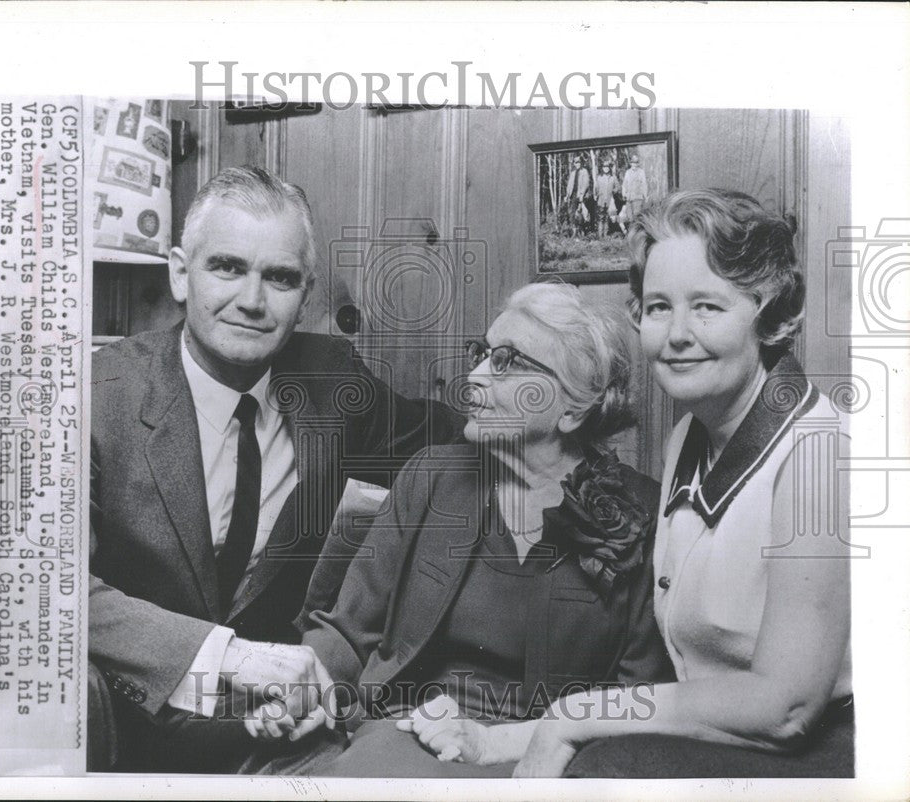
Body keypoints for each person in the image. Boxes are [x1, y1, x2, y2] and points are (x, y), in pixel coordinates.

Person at [428, 188, 854, 778]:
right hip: (721, 737)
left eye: (706, 306)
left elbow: (786, 706)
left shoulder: (819, 456)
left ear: (771, 315)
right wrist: (508, 738)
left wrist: (572, 718)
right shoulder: (687, 436)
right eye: (657, 307)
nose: (676, 334)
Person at [89, 166, 463, 772]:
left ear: (307, 294)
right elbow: (56, 593)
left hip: (282, 741)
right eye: (227, 267)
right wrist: (232, 659)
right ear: (181, 274)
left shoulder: (335, 381)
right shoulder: (95, 398)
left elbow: (449, 433)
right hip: (126, 742)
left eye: (280, 278)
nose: (253, 301)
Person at [241, 282, 675, 777]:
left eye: (507, 361)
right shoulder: (432, 478)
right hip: (410, 735)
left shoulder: (642, 512)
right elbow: (348, 630)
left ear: (573, 407)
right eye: (482, 353)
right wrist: (304, 687)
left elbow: (640, 697)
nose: (474, 377)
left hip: (551, 759)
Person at [594, 161, 619, 238]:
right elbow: (596, 188)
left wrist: (613, 192)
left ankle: (605, 235)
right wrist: (596, 195)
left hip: (609, 201)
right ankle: (600, 236)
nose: (606, 169)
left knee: (607, 218)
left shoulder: (613, 177)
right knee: (601, 218)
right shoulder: (599, 177)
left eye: (607, 167)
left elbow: (617, 187)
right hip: (601, 201)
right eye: (604, 167)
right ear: (602, 168)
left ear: (609, 168)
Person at [621, 153, 648, 221]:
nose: (634, 165)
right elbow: (624, 184)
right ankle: (631, 230)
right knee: (629, 217)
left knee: (636, 216)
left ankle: (636, 231)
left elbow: (644, 184)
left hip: (637, 198)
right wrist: (624, 194)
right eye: (633, 163)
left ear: (638, 164)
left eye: (636, 163)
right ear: (631, 163)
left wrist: (645, 196)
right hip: (629, 198)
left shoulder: (641, 172)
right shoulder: (627, 172)